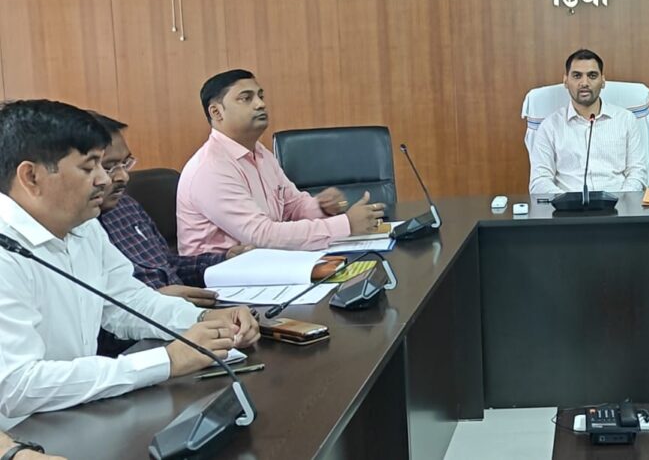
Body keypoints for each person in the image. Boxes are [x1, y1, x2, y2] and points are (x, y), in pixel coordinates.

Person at [0, 100, 259, 429]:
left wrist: (205, 320)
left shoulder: (84, 228)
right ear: (31, 176)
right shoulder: (6, 251)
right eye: (89, 167)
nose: (103, 180)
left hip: (77, 413)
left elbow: (129, 301)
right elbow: (17, 385)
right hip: (23, 435)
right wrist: (166, 361)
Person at [176, 69, 385, 255]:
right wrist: (346, 225)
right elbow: (261, 235)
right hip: (223, 276)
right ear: (216, 112)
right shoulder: (210, 168)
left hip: (265, 263)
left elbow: (291, 205)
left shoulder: (260, 153)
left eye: (260, 96)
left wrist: (321, 207)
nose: (260, 104)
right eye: (246, 98)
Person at [94, 113, 252, 307]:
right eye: (109, 167)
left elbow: (168, 265)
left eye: (125, 163)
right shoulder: (74, 231)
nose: (123, 177)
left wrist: (224, 259)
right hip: (147, 321)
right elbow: (97, 311)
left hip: (187, 314)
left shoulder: (126, 206)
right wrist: (155, 299)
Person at [529, 49, 648, 194]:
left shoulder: (626, 120)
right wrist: (567, 202)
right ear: (565, 81)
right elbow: (540, 181)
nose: (584, 83)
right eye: (577, 76)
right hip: (567, 205)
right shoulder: (550, 126)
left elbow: (637, 173)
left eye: (592, 76)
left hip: (618, 204)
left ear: (603, 81)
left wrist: (621, 200)